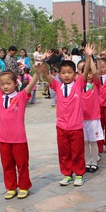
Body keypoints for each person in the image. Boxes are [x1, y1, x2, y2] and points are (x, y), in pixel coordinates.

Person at [0, 54, 39, 200]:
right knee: (7, 165)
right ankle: (11, 187)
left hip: (19, 138)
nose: (5, 86)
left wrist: (38, 72)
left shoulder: (21, 96)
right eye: (2, 84)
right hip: (3, 138)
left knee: (22, 164)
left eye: (8, 83)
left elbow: (32, 84)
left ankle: (24, 186)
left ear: (15, 83)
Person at [41, 49, 87, 187]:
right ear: (59, 74)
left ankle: (79, 174)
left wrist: (89, 57)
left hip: (76, 127)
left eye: (70, 72)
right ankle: (67, 174)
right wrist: (43, 61)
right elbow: (45, 73)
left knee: (77, 152)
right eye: (63, 73)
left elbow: (86, 71)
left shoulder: (78, 85)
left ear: (75, 74)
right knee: (64, 152)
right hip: (61, 127)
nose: (66, 75)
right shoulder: (57, 86)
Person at [79, 45, 102, 172]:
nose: (88, 75)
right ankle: (87, 162)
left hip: (93, 117)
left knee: (93, 142)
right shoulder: (79, 85)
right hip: (82, 118)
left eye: (89, 73)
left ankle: (94, 161)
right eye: (85, 73)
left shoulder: (96, 83)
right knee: (85, 142)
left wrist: (90, 57)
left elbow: (95, 73)